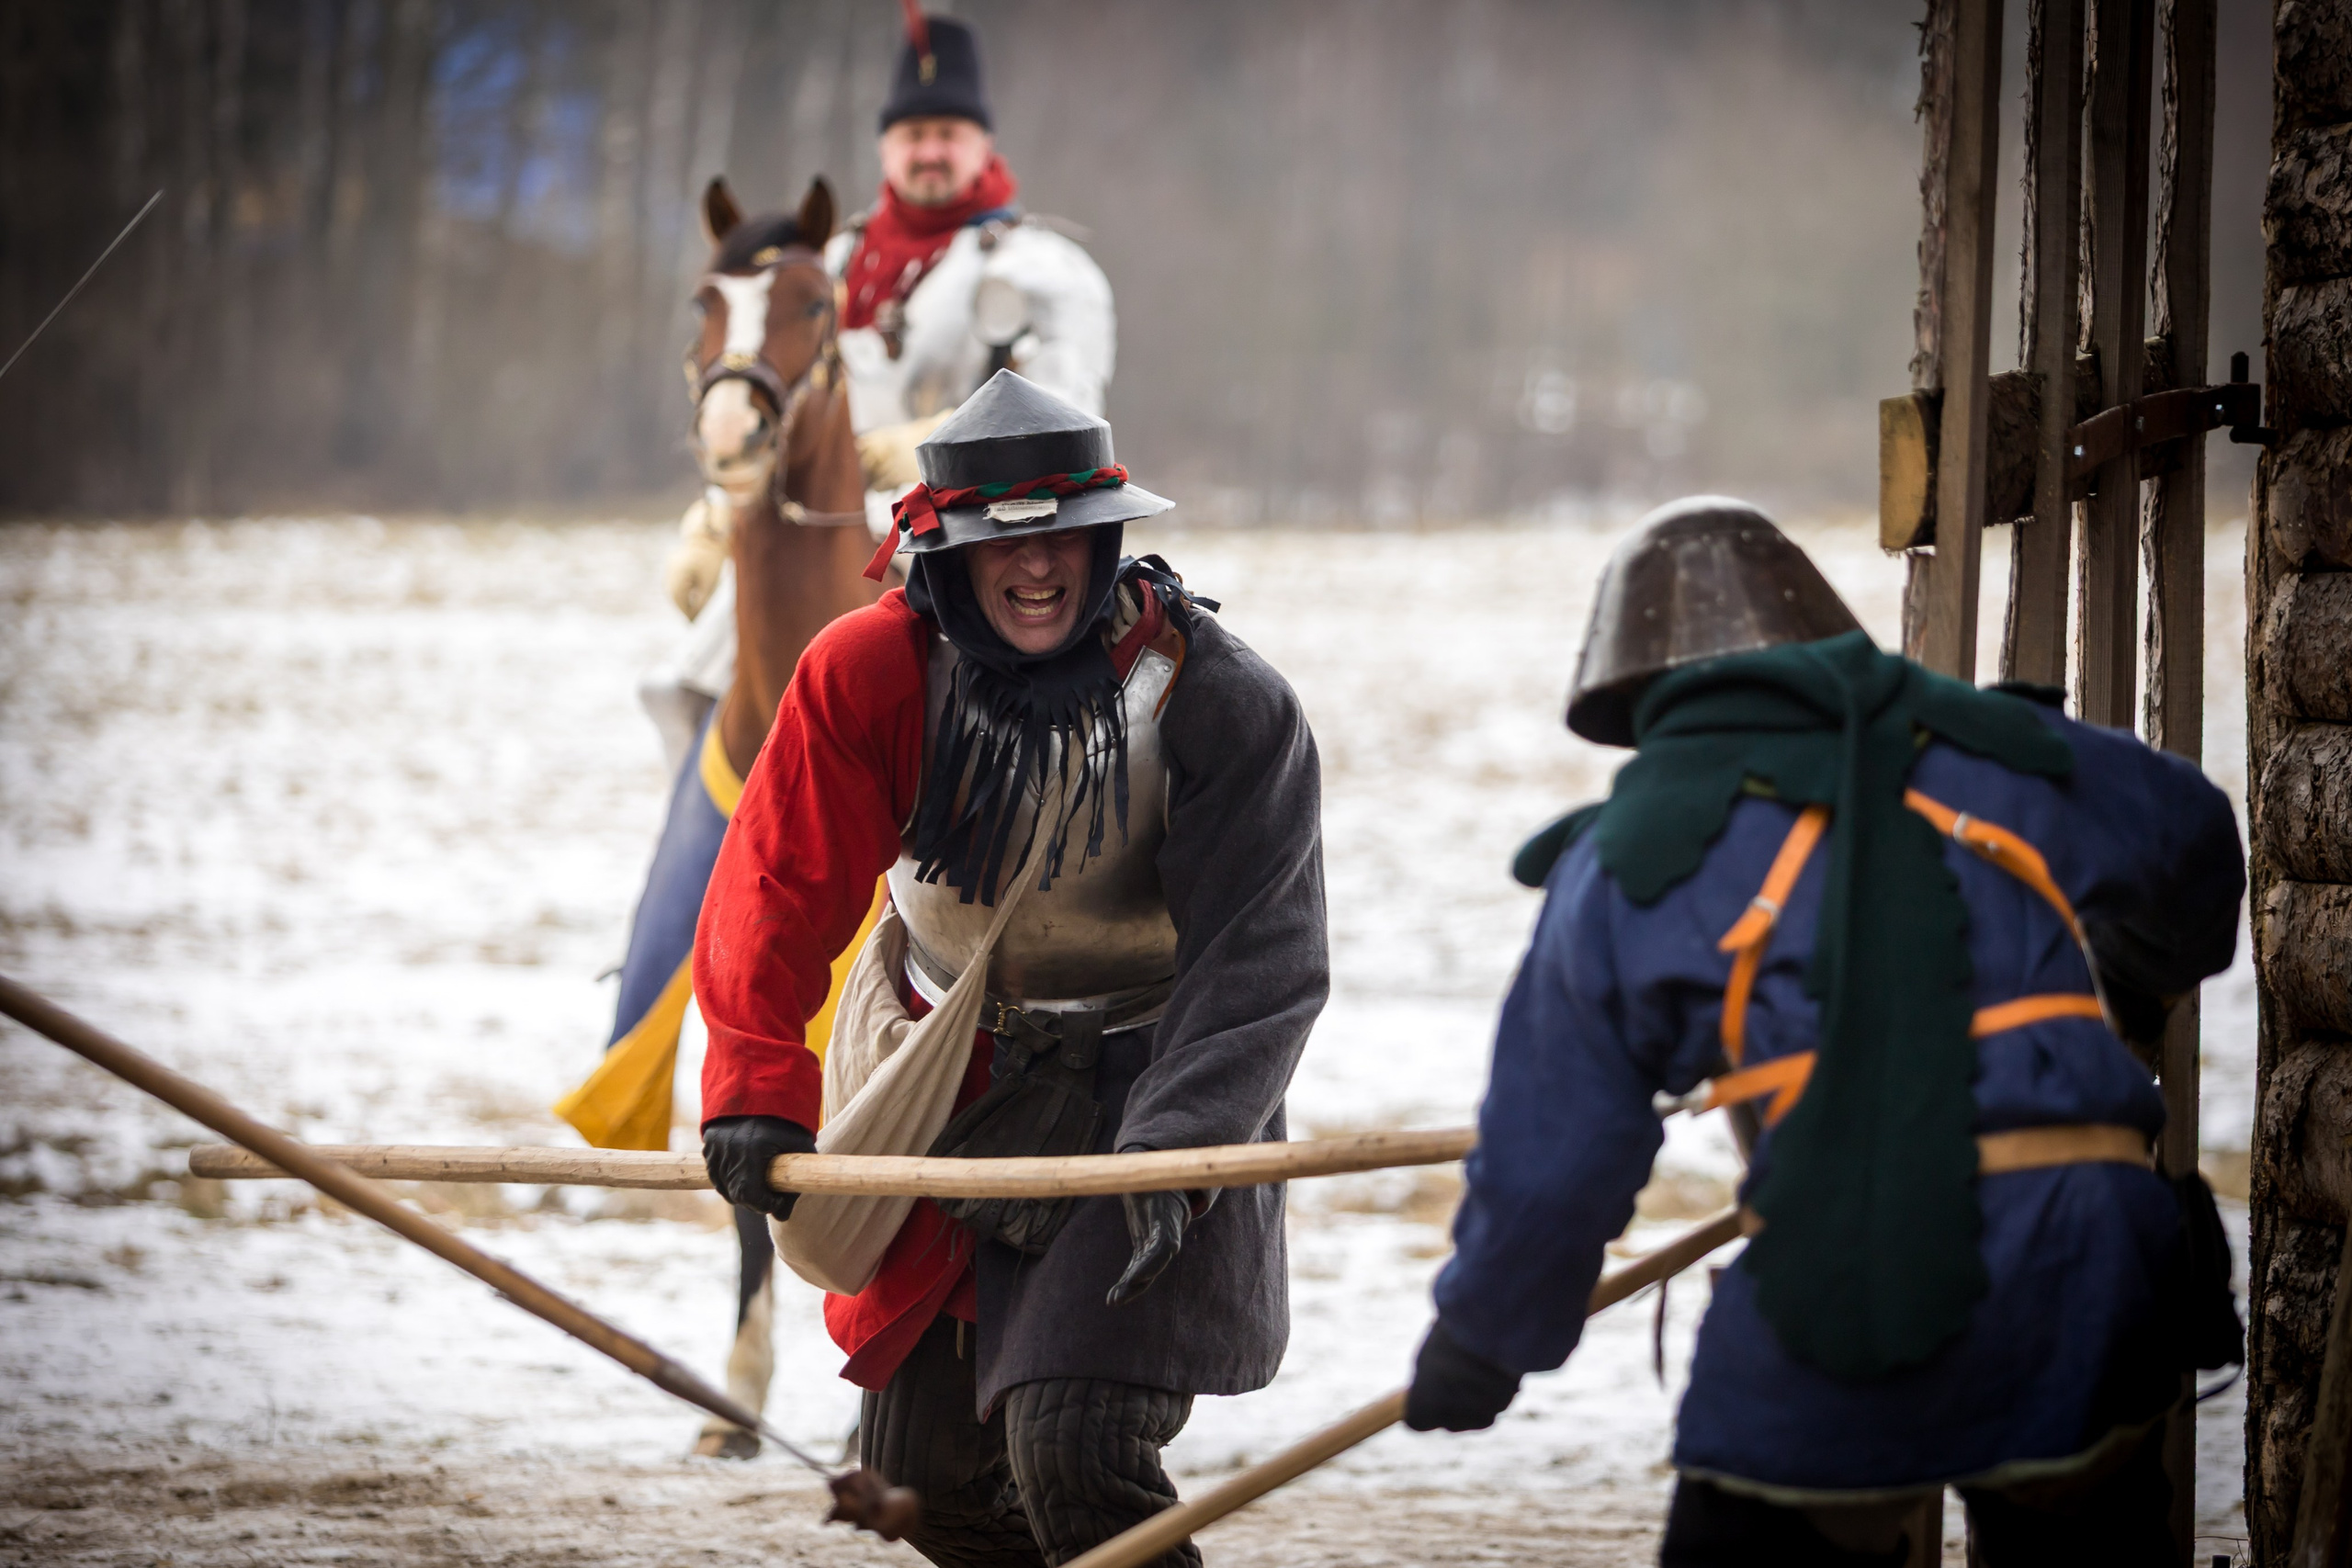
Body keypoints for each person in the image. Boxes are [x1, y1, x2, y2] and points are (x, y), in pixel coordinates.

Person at [1403, 498, 2246, 1567]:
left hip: (1848, 1278)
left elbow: (1554, 1153)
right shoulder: (1996, 746)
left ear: (1632, 689)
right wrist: (2138, 977)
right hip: (2090, 1261)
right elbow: (2191, 833)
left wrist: (1482, 1341)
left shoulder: (1624, 854)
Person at [693, 369, 1327, 1568]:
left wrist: (1177, 1147)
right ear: (942, 553)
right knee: (927, 1484)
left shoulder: (1223, 701)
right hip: (953, 1086)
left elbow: (1263, 963)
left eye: (1064, 545)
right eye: (998, 547)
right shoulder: (869, 674)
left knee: (1076, 1449)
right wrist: (753, 1082)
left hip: (1156, 1091)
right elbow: (772, 886)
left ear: (1105, 538)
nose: (1036, 571)